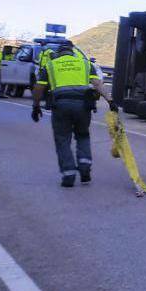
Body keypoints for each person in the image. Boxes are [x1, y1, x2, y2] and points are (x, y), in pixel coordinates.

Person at [30, 40, 117, 187]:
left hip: (61, 106)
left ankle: (69, 175)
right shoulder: (85, 64)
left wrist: (36, 106)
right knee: (83, 136)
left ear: (59, 52)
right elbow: (97, 84)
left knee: (62, 139)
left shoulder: (50, 65)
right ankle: (84, 169)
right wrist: (110, 100)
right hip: (83, 106)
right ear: (72, 50)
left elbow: (39, 88)